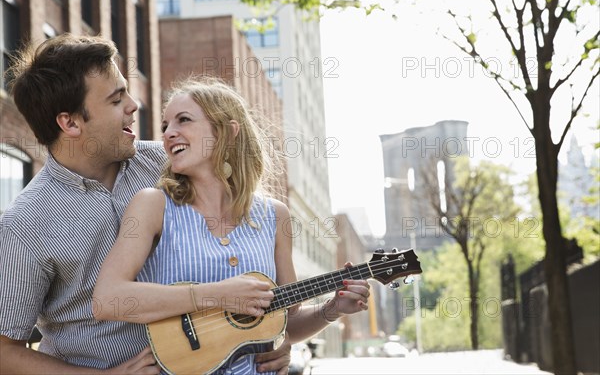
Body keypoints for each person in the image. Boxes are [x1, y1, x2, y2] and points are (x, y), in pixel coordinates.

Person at [0, 34, 290, 374]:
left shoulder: (168, 164)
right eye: (115, 98)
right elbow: (5, 350)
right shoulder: (24, 224)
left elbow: (244, 237)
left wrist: (276, 342)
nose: (133, 105)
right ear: (70, 123)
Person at [92, 77, 371, 374]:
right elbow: (108, 300)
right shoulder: (153, 206)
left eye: (183, 120)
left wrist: (332, 310)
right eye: (165, 126)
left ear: (227, 131)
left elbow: (285, 323)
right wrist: (216, 294)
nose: (169, 134)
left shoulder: (274, 216)